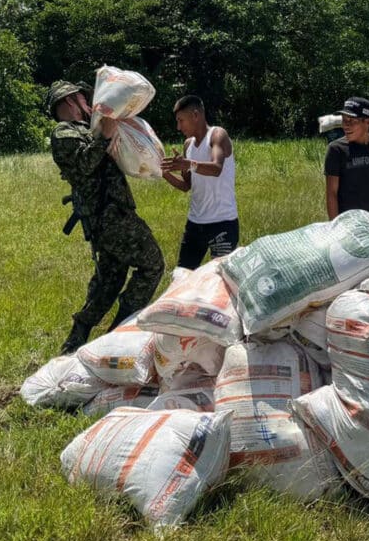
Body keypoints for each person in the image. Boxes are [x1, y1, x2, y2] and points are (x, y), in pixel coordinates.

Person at [46, 80, 164, 354]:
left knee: (107, 285)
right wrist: (106, 137)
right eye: (82, 99)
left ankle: (73, 348)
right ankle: (119, 334)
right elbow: (85, 165)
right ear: (69, 102)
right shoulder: (64, 133)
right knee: (152, 265)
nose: (88, 104)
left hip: (110, 215)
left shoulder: (87, 129)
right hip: (110, 217)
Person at [161, 95, 239, 269]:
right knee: (182, 276)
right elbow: (185, 186)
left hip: (222, 223)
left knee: (221, 280)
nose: (178, 127)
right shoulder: (188, 145)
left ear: (195, 115)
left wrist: (188, 164)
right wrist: (163, 173)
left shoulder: (218, 135)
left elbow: (216, 168)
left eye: (181, 121)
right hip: (195, 224)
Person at [324, 97, 369, 219]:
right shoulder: (336, 149)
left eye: (352, 121)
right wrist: (335, 226)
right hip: (347, 224)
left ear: (368, 122)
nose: (346, 126)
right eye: (344, 120)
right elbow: (332, 193)